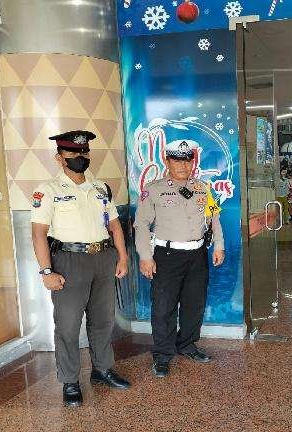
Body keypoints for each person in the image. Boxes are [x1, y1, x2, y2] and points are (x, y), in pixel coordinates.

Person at [31, 130, 130, 407]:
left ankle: (102, 369)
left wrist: (122, 257)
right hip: (69, 262)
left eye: (84, 152)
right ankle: (70, 381)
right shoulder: (48, 190)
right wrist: (46, 272)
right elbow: (38, 234)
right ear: (59, 157)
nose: (80, 156)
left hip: (103, 258)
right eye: (72, 152)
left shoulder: (100, 188)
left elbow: (114, 226)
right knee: (68, 324)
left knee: (103, 319)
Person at [134, 140, 225, 378]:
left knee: (194, 303)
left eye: (187, 160)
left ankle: (187, 344)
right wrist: (145, 256)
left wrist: (219, 246)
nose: (183, 166)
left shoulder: (203, 188)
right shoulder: (153, 189)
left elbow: (214, 218)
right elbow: (141, 225)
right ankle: (163, 354)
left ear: (192, 162)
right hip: (167, 256)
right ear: (167, 161)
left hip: (197, 254)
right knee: (163, 306)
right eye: (177, 160)